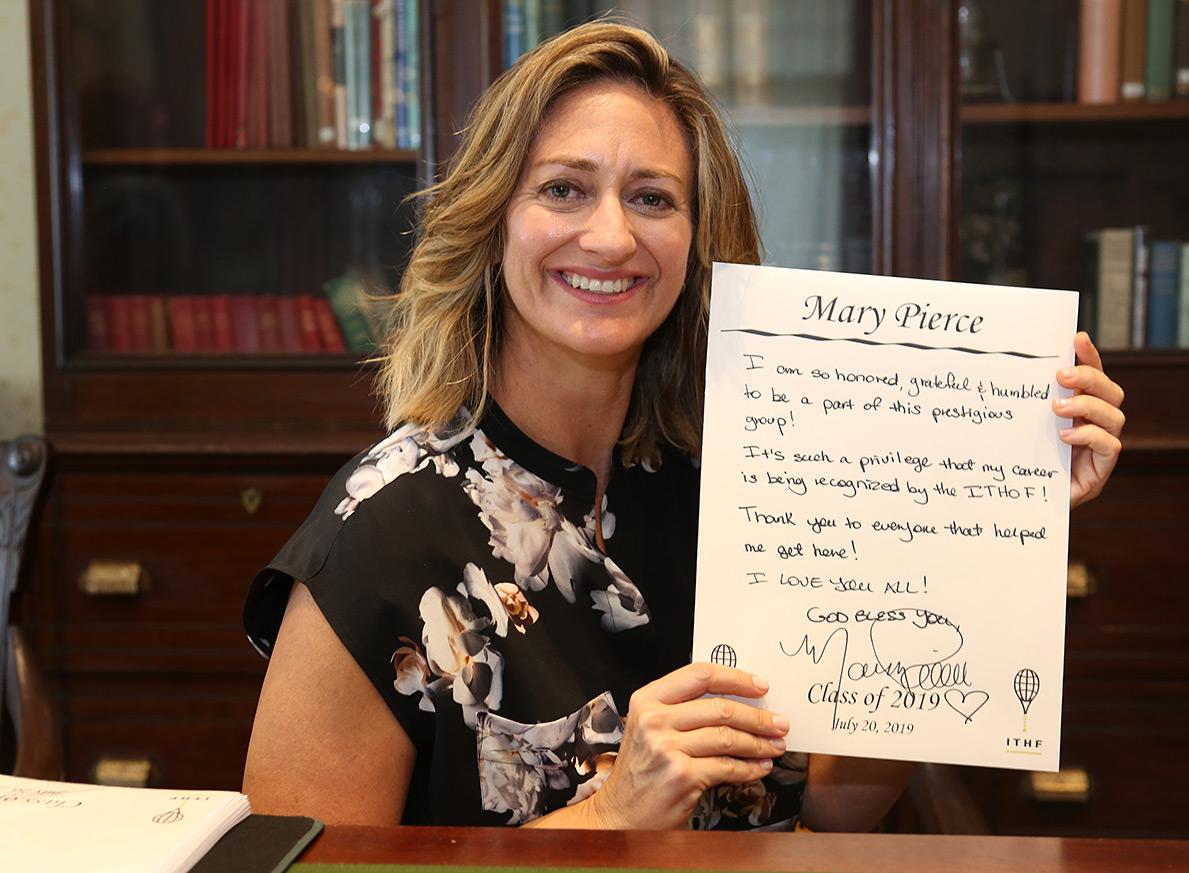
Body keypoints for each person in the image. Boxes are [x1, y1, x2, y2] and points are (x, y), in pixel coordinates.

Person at [241, 22, 1125, 831]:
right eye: (563, 188)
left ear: (698, 244)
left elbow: (828, 812)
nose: (613, 236)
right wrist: (613, 814)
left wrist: (1006, 519)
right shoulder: (379, 534)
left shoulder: (739, 487)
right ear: (493, 221)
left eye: (654, 198)